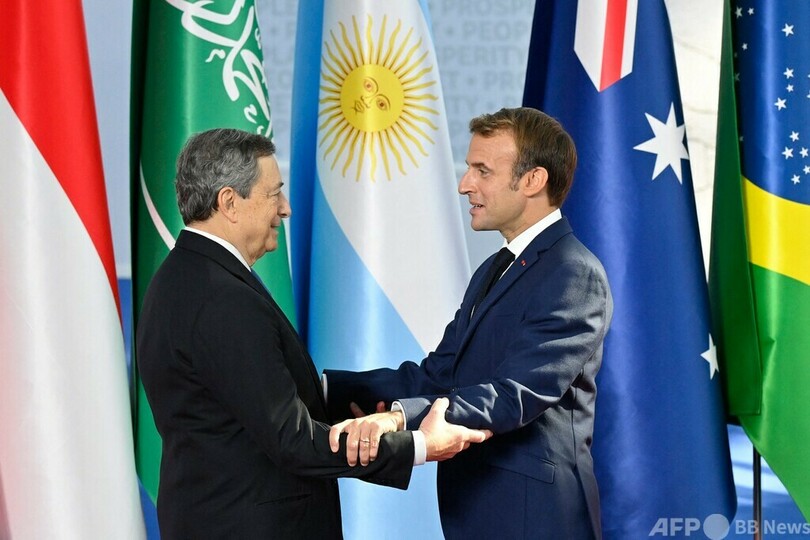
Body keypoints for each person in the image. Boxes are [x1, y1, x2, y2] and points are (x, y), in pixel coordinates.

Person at [135, 128, 490, 539]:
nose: (284, 209)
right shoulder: (221, 297)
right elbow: (293, 441)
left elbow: (239, 401)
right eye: (274, 194)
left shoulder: (184, 276)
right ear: (229, 202)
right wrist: (420, 444)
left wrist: (347, 399)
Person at [325, 107, 613, 540]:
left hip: (534, 519)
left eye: (482, 171)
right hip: (479, 510)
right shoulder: (496, 268)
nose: (464, 185)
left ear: (533, 180)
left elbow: (516, 393)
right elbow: (441, 373)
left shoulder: (574, 272)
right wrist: (326, 389)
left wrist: (400, 418)